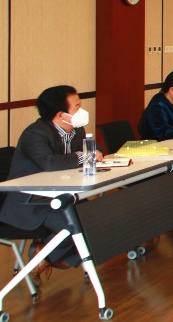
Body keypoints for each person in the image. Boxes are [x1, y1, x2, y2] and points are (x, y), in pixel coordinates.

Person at [0, 86, 102, 285]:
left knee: (98, 216)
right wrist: (84, 156)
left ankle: (44, 256)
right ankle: (47, 258)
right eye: (77, 107)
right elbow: (49, 163)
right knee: (76, 225)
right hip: (31, 201)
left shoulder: (76, 129)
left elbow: (92, 148)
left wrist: (93, 153)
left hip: (61, 196)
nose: (81, 111)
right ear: (60, 114)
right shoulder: (34, 133)